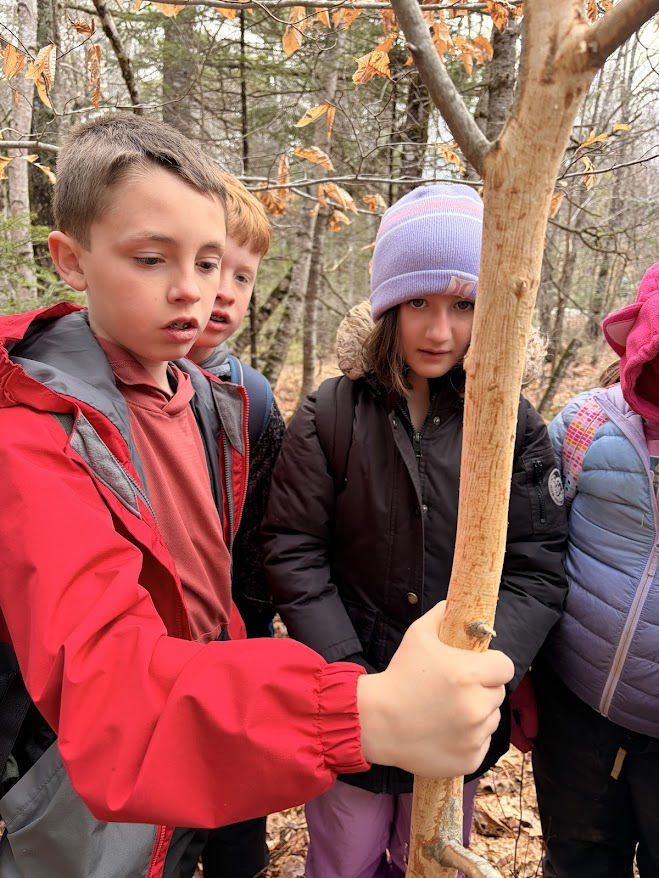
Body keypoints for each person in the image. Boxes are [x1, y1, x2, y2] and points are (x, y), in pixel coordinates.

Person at [0, 116, 514, 878]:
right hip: (82, 788)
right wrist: (358, 711)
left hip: (207, 753)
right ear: (71, 259)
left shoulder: (216, 407)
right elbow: (106, 682)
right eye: (151, 258)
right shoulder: (33, 435)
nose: (193, 289)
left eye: (211, 262)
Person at [262, 183, 569, 878]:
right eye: (417, 304)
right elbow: (293, 548)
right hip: (356, 700)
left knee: (427, 858)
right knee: (344, 856)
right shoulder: (332, 413)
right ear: (386, 309)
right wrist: (352, 675)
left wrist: (482, 674)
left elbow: (536, 564)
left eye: (463, 306)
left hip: (454, 711)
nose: (438, 332)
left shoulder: (512, 425)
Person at [532, 261, 659, 878]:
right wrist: (519, 675)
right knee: (577, 861)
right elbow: (533, 549)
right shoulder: (586, 425)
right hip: (577, 713)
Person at [184, 175, 285, 878]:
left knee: (235, 832)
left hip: (231, 646)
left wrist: (250, 634)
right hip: (139, 654)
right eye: (209, 265)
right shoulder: (101, 386)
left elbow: (262, 539)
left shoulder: (254, 398)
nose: (224, 292)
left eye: (242, 276)